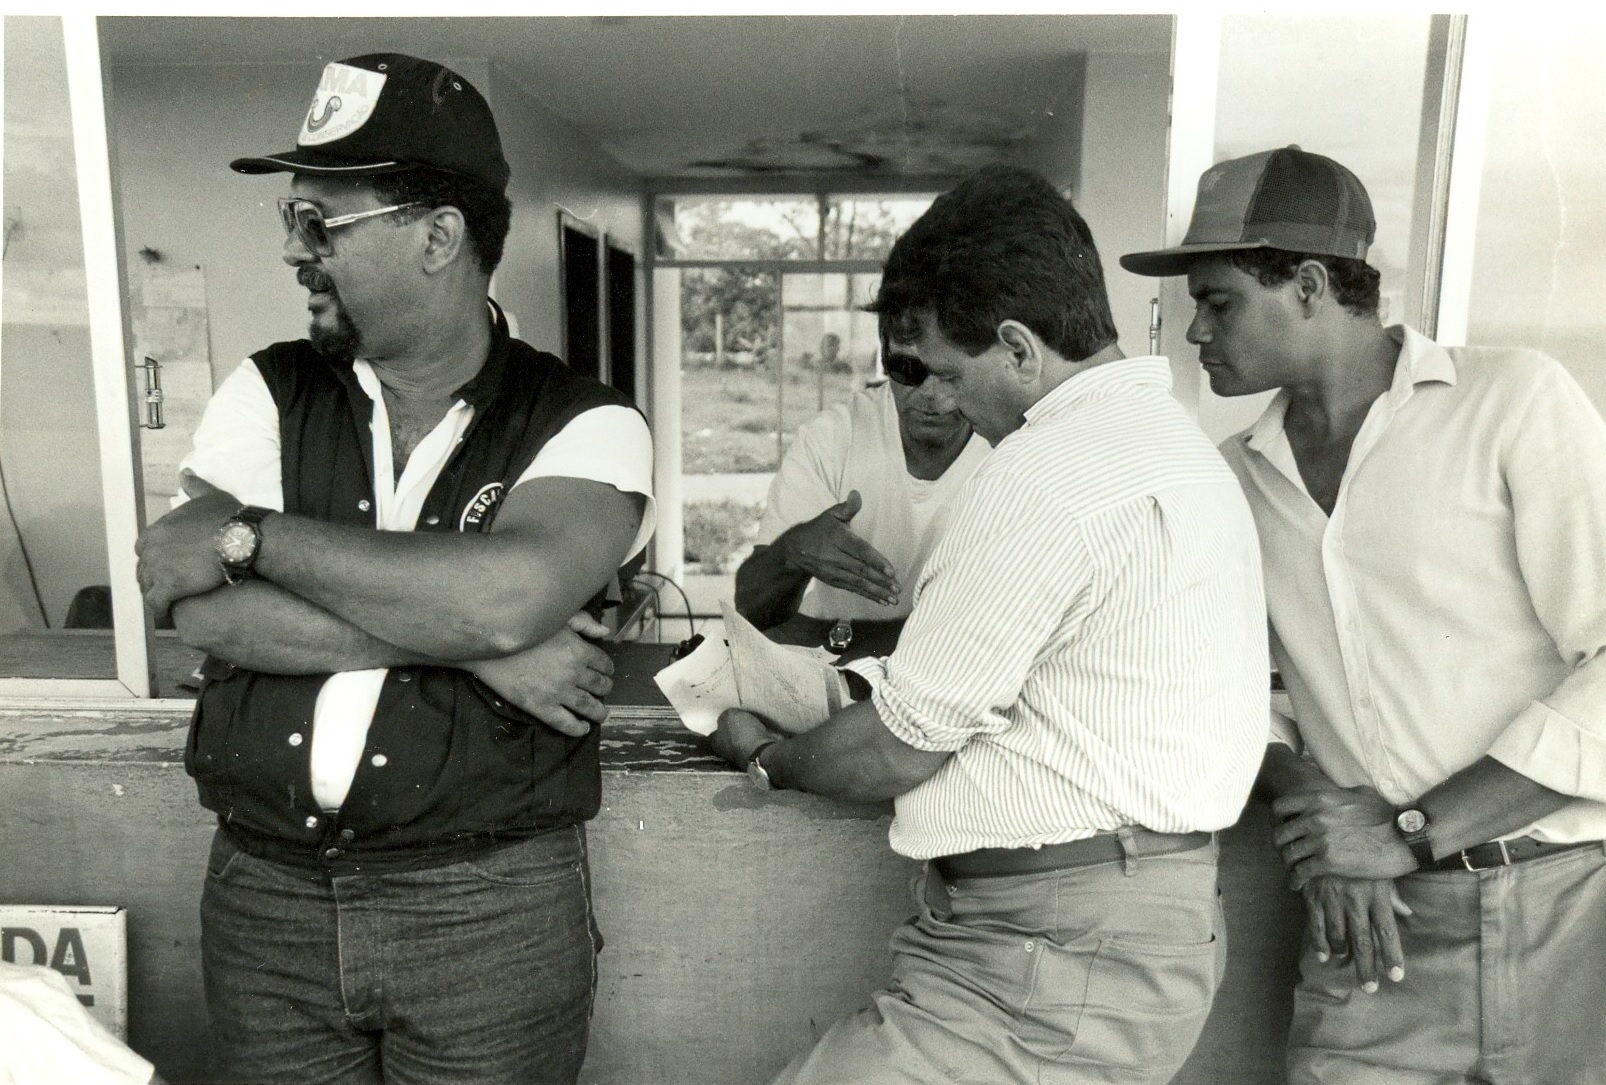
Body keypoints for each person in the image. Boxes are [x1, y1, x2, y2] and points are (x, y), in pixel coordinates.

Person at [135, 54, 653, 1085]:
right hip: (267, 893)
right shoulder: (270, 390)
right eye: (291, 218)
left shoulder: (586, 421)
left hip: (486, 909)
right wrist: (474, 650)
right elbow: (196, 607)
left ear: (437, 236)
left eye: (319, 222)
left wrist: (254, 537)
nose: (294, 250)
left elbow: (506, 597)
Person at [712, 164, 1269, 1085]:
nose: (946, 404)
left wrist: (767, 757)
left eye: (950, 372)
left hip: (1050, 959)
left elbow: (898, 747)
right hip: (1089, 937)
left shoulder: (1046, 470)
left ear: (1017, 348)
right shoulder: (1177, 448)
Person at [1121, 145, 1606, 1084]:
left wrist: (1408, 830)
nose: (1195, 331)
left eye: (1218, 301)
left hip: (1567, 916)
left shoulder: (1512, 402)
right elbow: (1225, 695)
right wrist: (1321, 819)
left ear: (1309, 286)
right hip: (1371, 932)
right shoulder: (1230, 479)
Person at [733, 364, 989, 656]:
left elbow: (1000, 632)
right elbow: (751, 610)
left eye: (948, 371)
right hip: (841, 669)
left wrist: (842, 636)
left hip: (916, 672)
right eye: (908, 369)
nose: (930, 393)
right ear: (886, 353)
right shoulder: (834, 434)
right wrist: (790, 553)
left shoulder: (1012, 440)